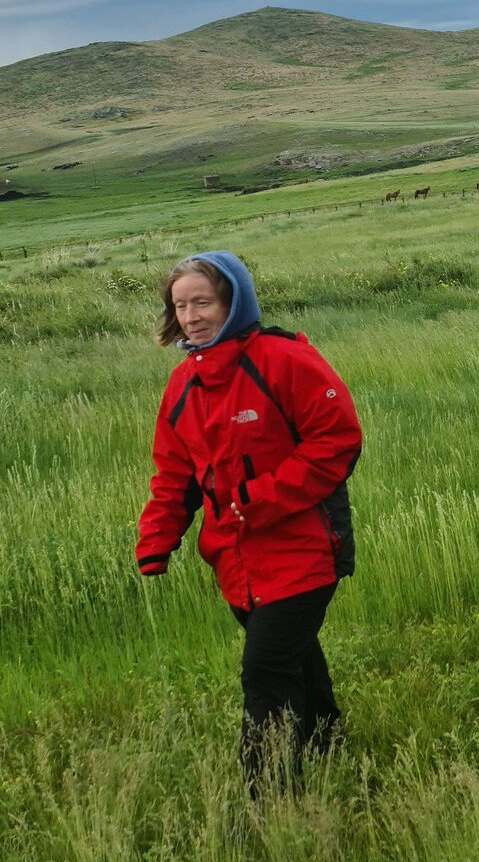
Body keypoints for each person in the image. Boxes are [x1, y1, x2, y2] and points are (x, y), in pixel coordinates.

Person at [136, 252, 362, 791]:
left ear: (233, 301)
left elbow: (337, 440)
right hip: (235, 563)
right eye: (180, 306)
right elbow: (175, 474)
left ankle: (266, 803)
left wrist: (258, 499)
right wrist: (156, 538)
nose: (190, 317)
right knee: (295, 661)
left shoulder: (284, 359)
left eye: (202, 302)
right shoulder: (183, 385)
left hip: (304, 552)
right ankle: (329, 749)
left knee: (265, 675)